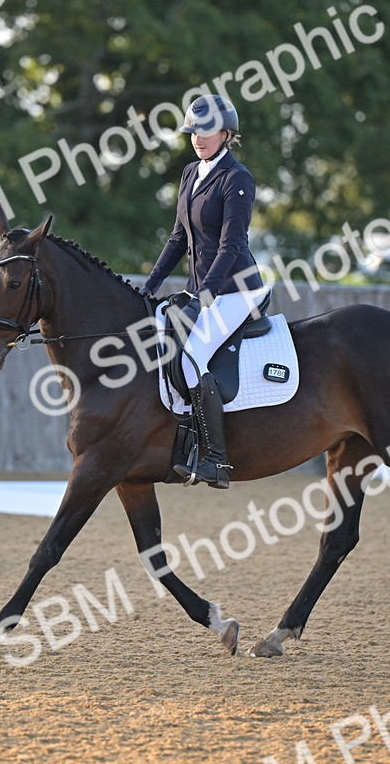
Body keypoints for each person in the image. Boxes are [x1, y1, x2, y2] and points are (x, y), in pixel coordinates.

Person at [142, 94, 270, 489]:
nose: (198, 138)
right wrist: (149, 286)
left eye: (207, 131)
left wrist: (204, 295)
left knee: (192, 355)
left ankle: (216, 459)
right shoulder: (190, 173)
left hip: (236, 290)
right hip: (204, 289)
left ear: (226, 134)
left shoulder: (237, 178)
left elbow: (231, 246)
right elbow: (178, 238)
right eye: (193, 131)